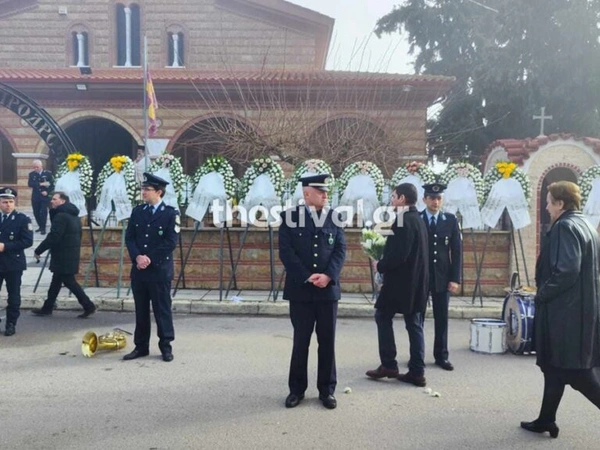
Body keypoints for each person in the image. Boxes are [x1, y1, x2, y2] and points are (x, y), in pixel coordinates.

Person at [521, 181, 600, 439]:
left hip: (566, 315)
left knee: (578, 375)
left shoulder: (564, 227)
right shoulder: (586, 224)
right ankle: (546, 419)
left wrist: (542, 294)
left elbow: (566, 271)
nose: (546, 207)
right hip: (582, 310)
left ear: (560, 203)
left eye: (548, 202)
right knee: (554, 369)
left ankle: (546, 419)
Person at [279, 174, 346, 409]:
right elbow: (286, 252)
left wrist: (328, 275)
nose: (325, 195)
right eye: (320, 191)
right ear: (306, 194)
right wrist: (307, 276)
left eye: (326, 191)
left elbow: (340, 250)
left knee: (327, 342)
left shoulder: (334, 217)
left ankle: (327, 391)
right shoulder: (290, 218)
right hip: (301, 290)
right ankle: (296, 390)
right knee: (301, 342)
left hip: (327, 291)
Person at [366, 183, 429, 386]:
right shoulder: (418, 219)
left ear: (402, 198)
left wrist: (380, 265)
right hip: (417, 281)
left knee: (382, 316)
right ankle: (417, 371)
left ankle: (389, 365)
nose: (392, 200)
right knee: (414, 324)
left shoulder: (403, 221)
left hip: (401, 283)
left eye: (394, 196)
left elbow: (399, 255)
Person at [123, 173, 179, 362]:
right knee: (141, 310)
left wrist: (149, 258)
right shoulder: (138, 211)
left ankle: (165, 346)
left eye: (147, 189)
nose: (143, 192)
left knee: (162, 310)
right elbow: (130, 237)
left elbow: (170, 242)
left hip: (159, 270)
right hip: (140, 270)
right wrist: (137, 256)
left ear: (159, 192)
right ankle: (141, 346)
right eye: (143, 189)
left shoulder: (170, 213)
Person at [31, 192, 96, 318]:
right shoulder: (74, 216)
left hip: (63, 255)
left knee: (69, 281)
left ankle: (88, 306)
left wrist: (39, 250)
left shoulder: (61, 216)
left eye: (55, 199)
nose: (52, 201)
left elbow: (54, 236)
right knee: (56, 281)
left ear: (63, 201)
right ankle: (47, 307)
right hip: (70, 253)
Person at [420, 183, 462, 371]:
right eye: (431, 198)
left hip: (442, 277)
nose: (435, 202)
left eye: (438, 198)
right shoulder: (417, 218)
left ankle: (441, 356)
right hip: (420, 276)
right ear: (424, 199)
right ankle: (417, 355)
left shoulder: (450, 220)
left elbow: (457, 251)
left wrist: (455, 278)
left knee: (442, 318)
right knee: (417, 318)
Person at [0, 188, 33, 336]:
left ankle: (11, 323)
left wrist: (6, 246)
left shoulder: (22, 219)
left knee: (13, 295)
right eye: (5, 202)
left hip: (13, 263)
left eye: (11, 202)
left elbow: (27, 241)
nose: (8, 205)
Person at [28, 159, 54, 235]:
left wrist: (47, 192)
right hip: (35, 196)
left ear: (41, 166)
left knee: (43, 212)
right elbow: (30, 184)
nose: (35, 169)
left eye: (37, 167)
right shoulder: (32, 174)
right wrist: (40, 184)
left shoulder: (48, 174)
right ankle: (40, 226)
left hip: (45, 197)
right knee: (36, 212)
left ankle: (43, 228)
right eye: (34, 167)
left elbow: (52, 185)